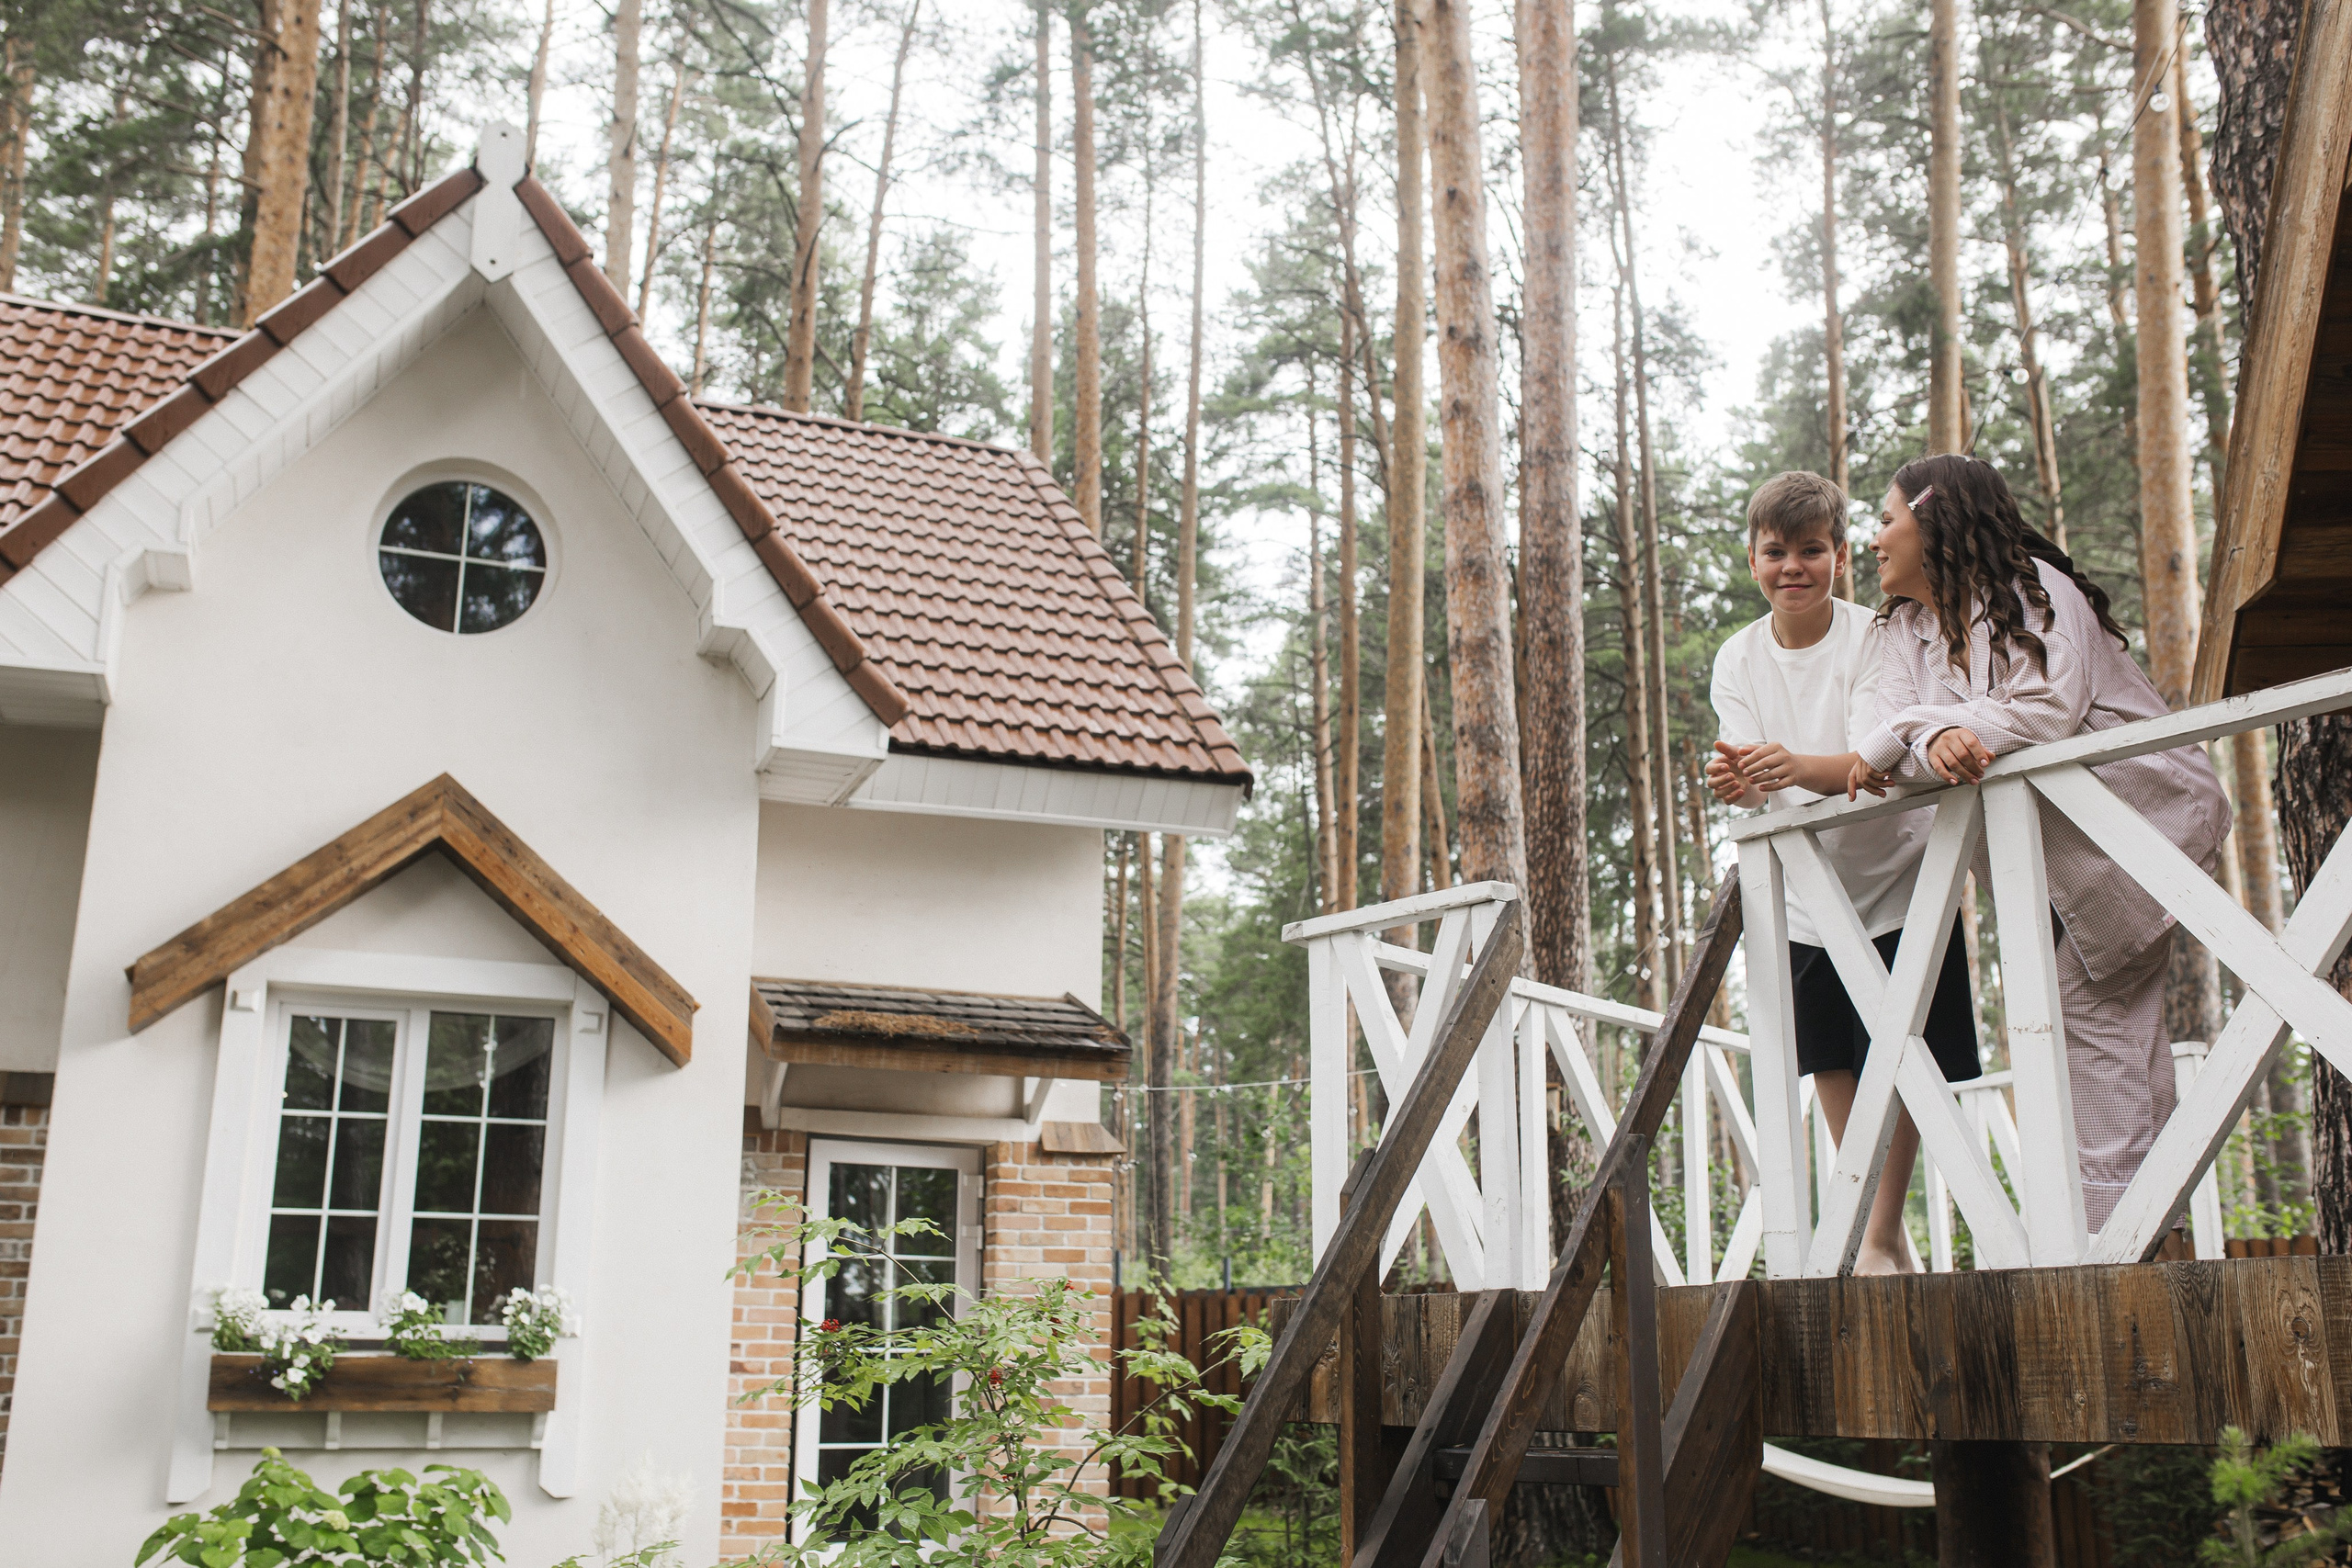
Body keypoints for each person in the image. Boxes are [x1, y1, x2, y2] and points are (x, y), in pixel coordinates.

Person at [1851, 453, 2230, 1235]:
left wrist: (1916, 728)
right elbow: (1889, 750)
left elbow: (2044, 713)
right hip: (2052, 865)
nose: (1874, 538)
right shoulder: (1902, 630)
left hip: (2139, 827)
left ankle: (2116, 1251)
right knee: (2118, 1044)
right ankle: (2154, 1242)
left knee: (2093, 1031)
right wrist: (1929, 740)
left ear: (1934, 517)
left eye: (1886, 519)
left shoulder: (2034, 592)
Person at [1705, 471, 1980, 1275]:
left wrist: (1792, 766)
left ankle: (1883, 1233)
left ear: (1841, 555)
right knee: (1830, 1058)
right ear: (1752, 559)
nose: (1793, 566)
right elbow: (1749, 771)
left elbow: (1875, 759)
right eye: (1775, 552)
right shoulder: (1738, 658)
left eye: (1811, 550)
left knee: (1902, 1057)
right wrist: (1737, 781)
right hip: (1803, 895)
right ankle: (1871, 1231)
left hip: (1900, 876)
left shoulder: (1875, 637)